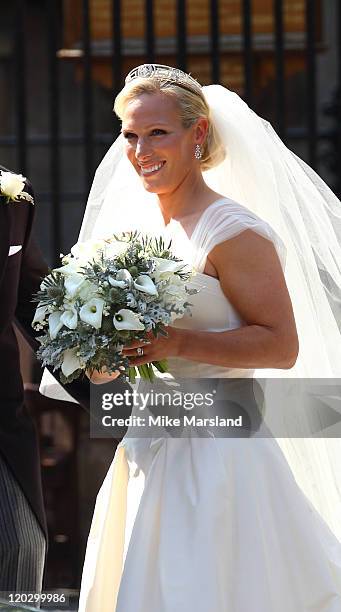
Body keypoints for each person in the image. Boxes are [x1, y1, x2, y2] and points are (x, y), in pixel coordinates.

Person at [72, 66, 341, 611]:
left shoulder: (234, 231)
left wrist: (176, 343)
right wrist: (97, 349)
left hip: (223, 456)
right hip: (149, 445)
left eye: (157, 133)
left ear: (197, 135)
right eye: (130, 135)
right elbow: (114, 367)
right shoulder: (138, 234)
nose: (140, 149)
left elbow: (280, 346)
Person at [0, 165, 93, 592]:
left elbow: (36, 308)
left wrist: (116, 397)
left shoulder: (12, 196)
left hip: (4, 430)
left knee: (20, 553)